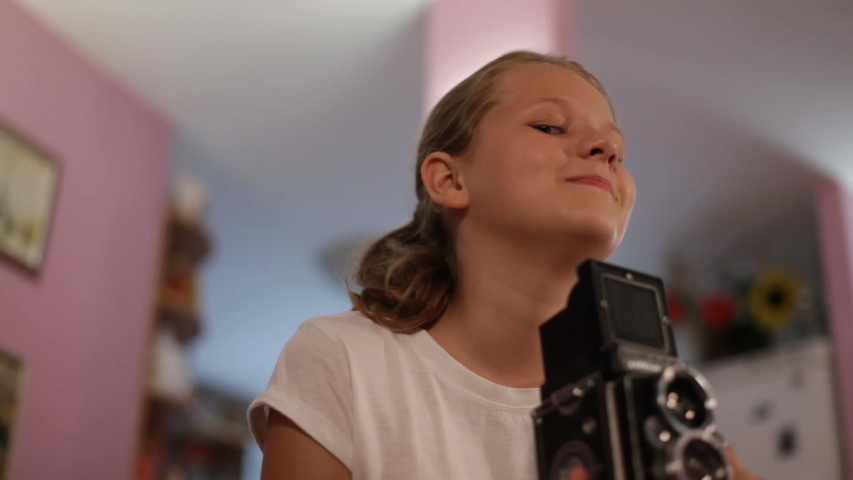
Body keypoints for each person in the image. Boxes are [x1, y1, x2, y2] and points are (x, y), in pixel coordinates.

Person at [248, 50, 761, 480]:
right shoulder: (344, 360)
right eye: (549, 126)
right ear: (450, 180)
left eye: (618, 152)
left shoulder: (659, 406)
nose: (606, 149)